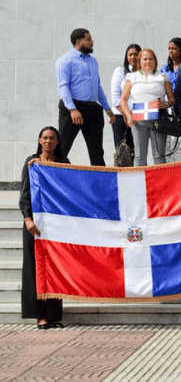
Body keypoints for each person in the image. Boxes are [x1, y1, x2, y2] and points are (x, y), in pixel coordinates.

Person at [20, 127, 70, 329]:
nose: (48, 141)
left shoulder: (64, 164)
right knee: (34, 269)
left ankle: (54, 315)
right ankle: (40, 316)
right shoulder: (31, 163)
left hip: (55, 226)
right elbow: (24, 194)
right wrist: (27, 218)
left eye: (52, 138)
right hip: (35, 225)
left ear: (57, 142)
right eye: (45, 138)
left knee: (55, 269)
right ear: (40, 140)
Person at [55, 28, 115, 166]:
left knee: (97, 152)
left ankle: (99, 184)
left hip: (93, 109)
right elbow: (63, 86)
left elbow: (97, 85)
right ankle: (53, 183)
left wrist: (107, 108)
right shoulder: (65, 60)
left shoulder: (93, 61)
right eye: (88, 39)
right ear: (78, 41)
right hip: (73, 108)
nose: (92, 42)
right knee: (62, 148)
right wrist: (72, 109)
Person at [119, 48, 176, 166]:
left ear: (155, 61)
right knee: (139, 156)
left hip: (158, 121)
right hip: (138, 122)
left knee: (159, 156)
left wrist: (166, 104)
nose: (148, 61)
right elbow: (123, 100)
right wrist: (128, 116)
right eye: (145, 59)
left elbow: (172, 99)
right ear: (139, 61)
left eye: (151, 59)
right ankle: (139, 184)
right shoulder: (132, 77)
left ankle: (161, 184)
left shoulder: (162, 77)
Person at [161, 37, 181, 162]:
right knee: (168, 141)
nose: (171, 51)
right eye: (169, 49)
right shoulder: (164, 69)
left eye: (174, 49)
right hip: (168, 106)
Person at [109, 44, 140, 150]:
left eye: (136, 54)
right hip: (120, 115)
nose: (133, 57)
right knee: (121, 150)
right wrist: (126, 115)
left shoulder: (144, 73)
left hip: (138, 115)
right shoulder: (119, 71)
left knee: (135, 149)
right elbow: (115, 97)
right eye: (130, 54)